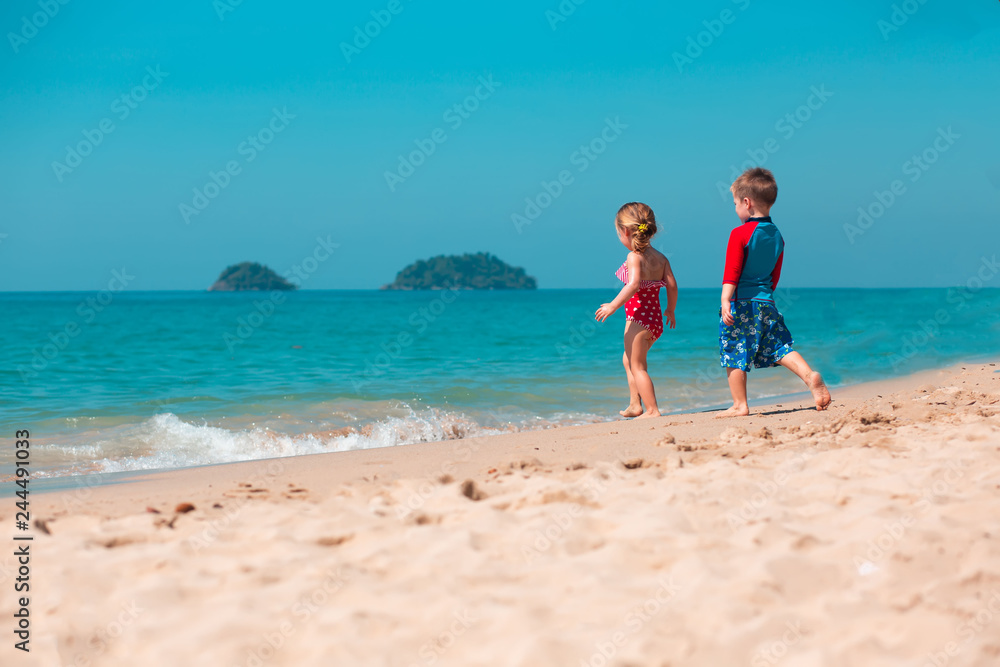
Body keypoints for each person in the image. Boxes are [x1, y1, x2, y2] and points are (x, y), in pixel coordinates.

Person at [718, 167, 831, 417]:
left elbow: (732, 271)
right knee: (779, 347)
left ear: (747, 203)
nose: (735, 208)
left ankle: (739, 405)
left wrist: (726, 300)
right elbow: (774, 274)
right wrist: (765, 297)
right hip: (766, 301)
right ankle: (809, 375)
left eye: (735, 203)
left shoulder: (739, 234)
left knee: (735, 350)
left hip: (741, 302)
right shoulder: (777, 235)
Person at [596, 202, 678, 419]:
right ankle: (635, 404)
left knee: (638, 366)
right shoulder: (660, 258)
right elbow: (672, 284)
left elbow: (632, 285)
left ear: (625, 231)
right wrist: (670, 309)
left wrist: (613, 305)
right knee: (628, 359)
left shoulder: (634, 257)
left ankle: (652, 410)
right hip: (654, 321)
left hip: (639, 319)